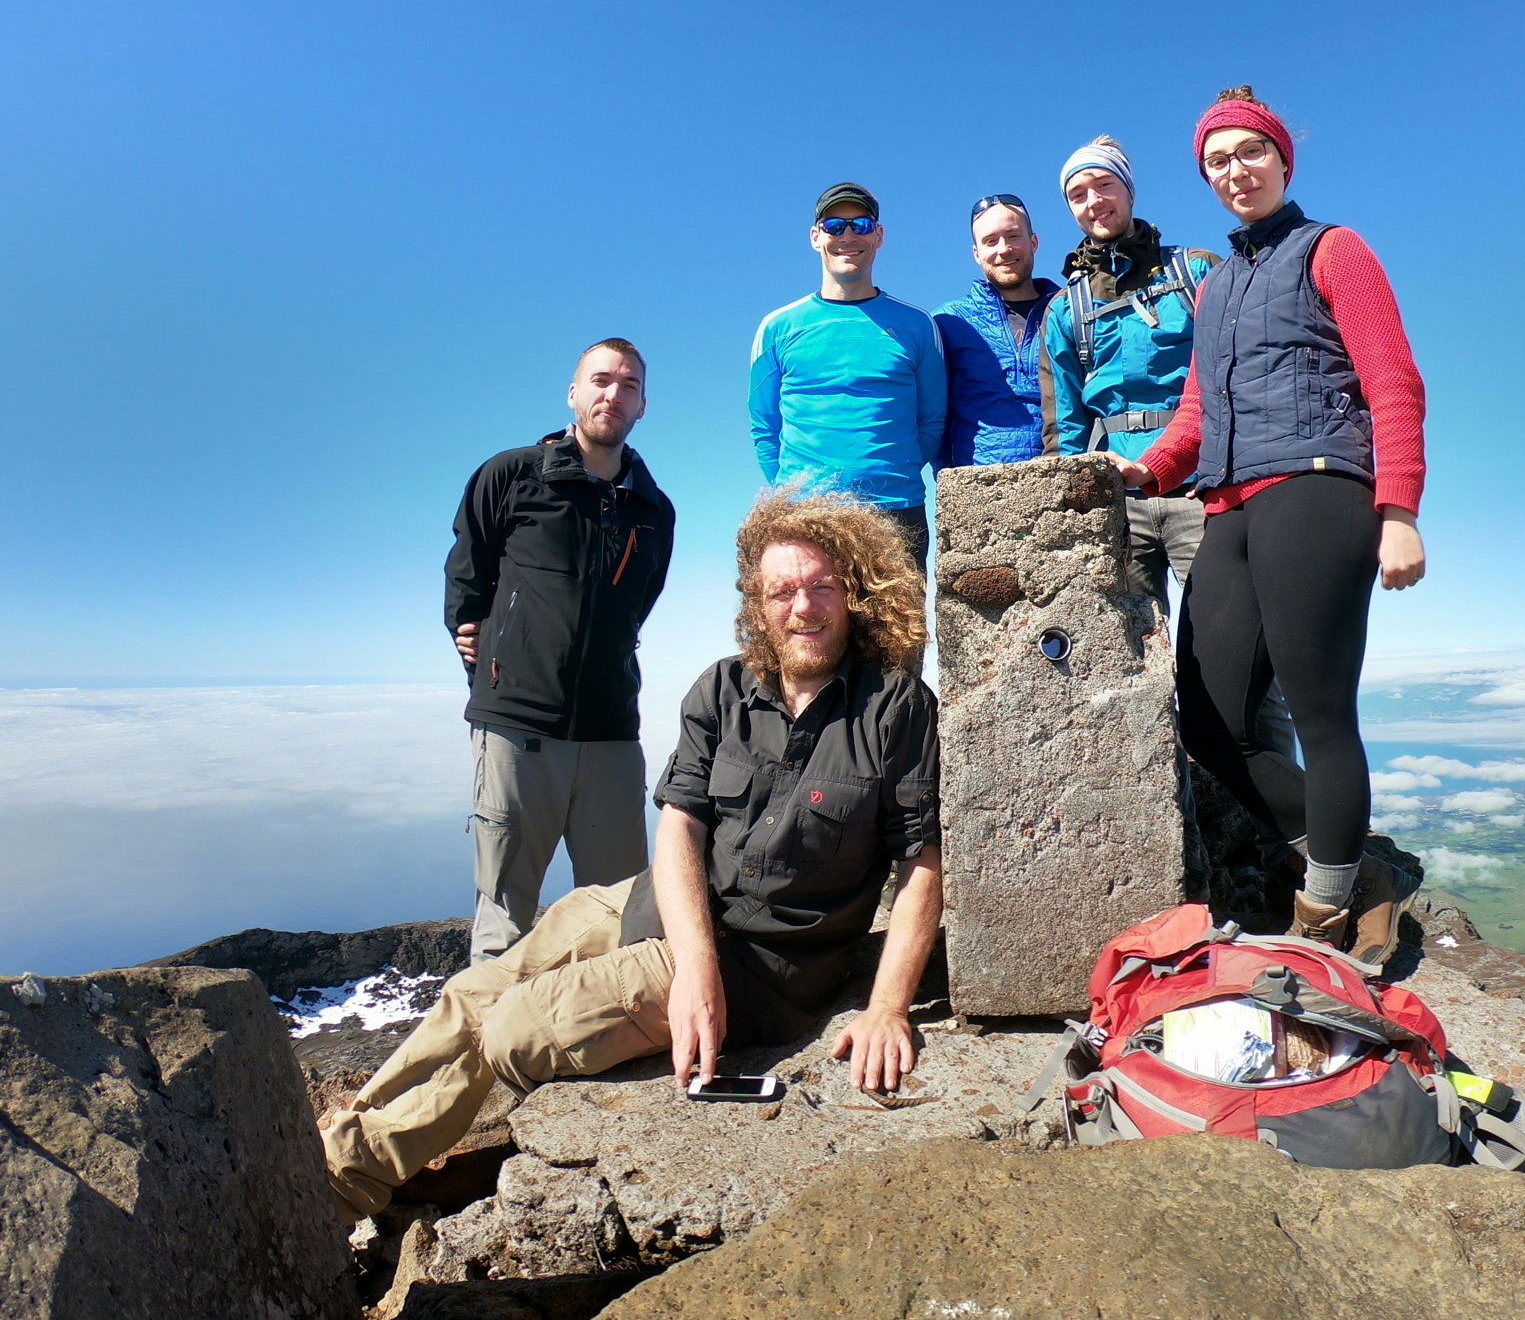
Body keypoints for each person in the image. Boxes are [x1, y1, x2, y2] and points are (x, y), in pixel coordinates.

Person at [324, 492, 942, 1226]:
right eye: (782, 591)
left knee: (511, 1032)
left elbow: (921, 865)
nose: (803, 607)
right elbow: (679, 828)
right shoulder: (722, 688)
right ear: (758, 601)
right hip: (661, 904)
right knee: (469, 994)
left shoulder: (895, 707)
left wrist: (886, 1009)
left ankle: (382, 1170)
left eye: (822, 587)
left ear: (856, 595)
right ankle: (342, 1171)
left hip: (765, 964)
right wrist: (694, 967)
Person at [1114, 88, 1429, 965]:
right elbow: (1195, 412)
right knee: (1209, 725)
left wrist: (1398, 509)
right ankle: (1353, 861)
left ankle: (1328, 906)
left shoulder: (1335, 250)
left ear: (1283, 161)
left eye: (1250, 153)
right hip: (1227, 503)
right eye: (1218, 161)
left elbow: (1393, 380)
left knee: (1322, 714)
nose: (1234, 171)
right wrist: (1148, 469)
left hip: (1319, 489)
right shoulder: (1216, 286)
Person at [445, 339, 675, 964]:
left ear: (642, 405)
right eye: (600, 380)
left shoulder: (655, 510)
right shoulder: (513, 475)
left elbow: (637, 606)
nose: (613, 393)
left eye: (628, 385)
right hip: (517, 727)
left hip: (610, 732)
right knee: (504, 918)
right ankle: (488, 1053)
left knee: (618, 915)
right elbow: (468, 576)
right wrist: (486, 642)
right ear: (573, 393)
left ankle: (601, 1055)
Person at [1039, 138, 1216, 609]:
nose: (1094, 201)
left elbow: (1233, 376)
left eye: (1104, 185)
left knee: (1231, 642)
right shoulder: (1065, 308)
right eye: (1079, 194)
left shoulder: (1195, 270)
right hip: (1119, 499)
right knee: (1131, 652)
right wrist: (1074, 505)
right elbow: (1066, 420)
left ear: (1129, 191)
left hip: (1202, 488)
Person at [750, 182, 948, 565]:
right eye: (834, 226)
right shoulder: (776, 327)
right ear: (815, 236)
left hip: (896, 511)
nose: (847, 236)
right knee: (810, 624)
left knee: (897, 627)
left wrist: (894, 470)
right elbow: (763, 427)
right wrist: (795, 490)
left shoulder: (918, 324)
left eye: (860, 224)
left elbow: (933, 419)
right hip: (804, 515)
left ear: (879, 235)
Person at [934, 194, 1059, 467]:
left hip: (1062, 476)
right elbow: (933, 414)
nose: (1003, 249)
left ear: (1033, 242)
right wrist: (946, 478)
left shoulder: (1068, 311)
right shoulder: (949, 321)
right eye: (990, 241)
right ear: (976, 253)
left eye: (1013, 236)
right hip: (977, 485)